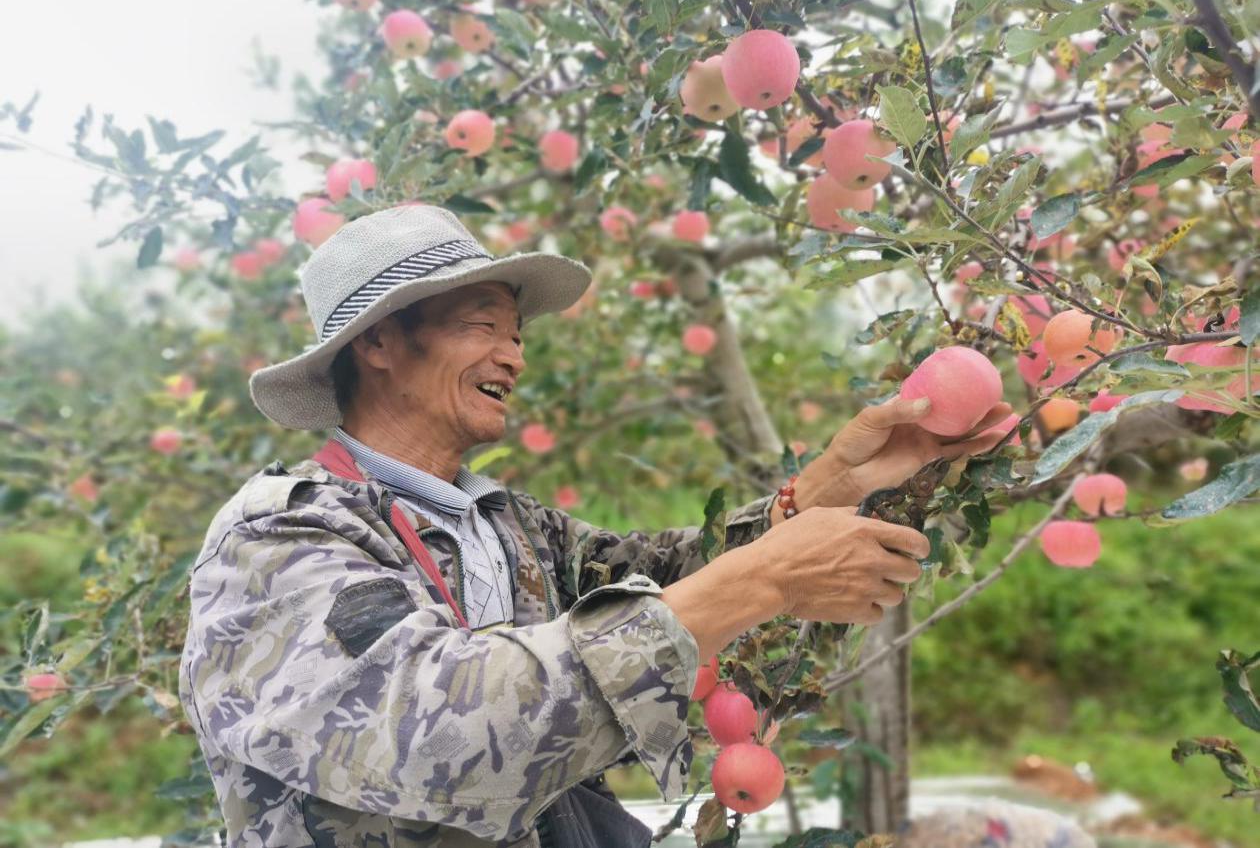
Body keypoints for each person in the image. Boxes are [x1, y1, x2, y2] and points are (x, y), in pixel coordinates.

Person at [178, 205, 1011, 847]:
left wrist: (832, 485)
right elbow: (432, 731)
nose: (514, 356)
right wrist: (763, 578)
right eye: (481, 328)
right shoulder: (278, 543)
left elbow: (672, 577)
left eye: (515, 335)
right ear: (381, 343)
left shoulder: (507, 526)